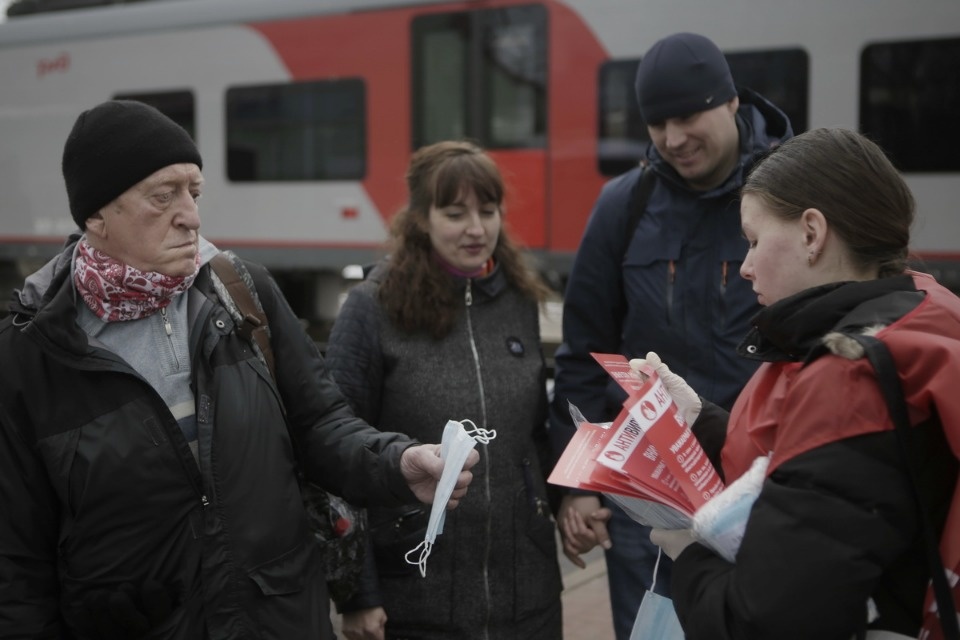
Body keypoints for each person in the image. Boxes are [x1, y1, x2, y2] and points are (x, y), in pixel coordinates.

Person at [0, 99, 480, 640]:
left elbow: (321, 425)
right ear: (96, 215)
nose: (192, 215)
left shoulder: (240, 293)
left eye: (195, 193)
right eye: (164, 196)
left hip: (275, 619)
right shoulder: (33, 351)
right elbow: (16, 562)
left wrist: (396, 462)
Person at [644, 127, 960, 639]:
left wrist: (690, 557)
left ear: (812, 233)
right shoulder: (922, 311)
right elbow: (818, 477)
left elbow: (766, 619)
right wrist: (700, 421)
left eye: (753, 241)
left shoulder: (850, 376)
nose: (745, 267)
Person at [549, 31, 793, 638]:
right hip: (647, 504)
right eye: (657, 122)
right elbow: (581, 354)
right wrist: (574, 487)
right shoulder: (622, 207)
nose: (672, 138)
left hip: (766, 485)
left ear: (732, 101)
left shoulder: (793, 196)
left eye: (687, 115)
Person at [324, 140, 563, 640]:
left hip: (528, 594)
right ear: (421, 219)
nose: (477, 229)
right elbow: (337, 457)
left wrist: (571, 502)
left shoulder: (519, 299)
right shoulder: (372, 308)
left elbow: (536, 435)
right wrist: (358, 592)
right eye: (455, 213)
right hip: (415, 594)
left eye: (488, 211)